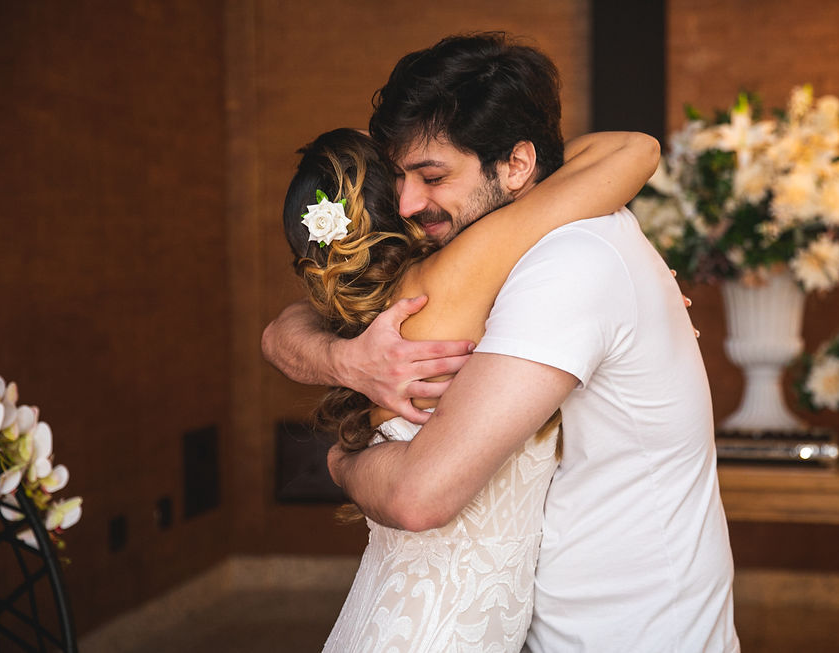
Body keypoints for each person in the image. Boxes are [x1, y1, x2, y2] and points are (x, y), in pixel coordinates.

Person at [264, 33, 739, 652]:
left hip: (631, 632)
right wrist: (345, 357)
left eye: (432, 175)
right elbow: (286, 327)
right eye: (398, 177)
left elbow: (418, 495)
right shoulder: (496, 259)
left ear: (516, 166)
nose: (406, 203)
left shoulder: (566, 260)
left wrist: (339, 461)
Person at [282, 126, 658, 650]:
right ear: (397, 207)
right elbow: (633, 149)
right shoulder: (458, 273)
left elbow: (283, 326)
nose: (417, 189)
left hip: (388, 619)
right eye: (404, 174)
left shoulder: (362, 319)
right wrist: (508, 160)